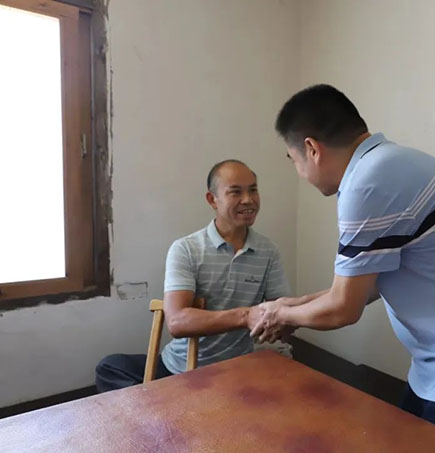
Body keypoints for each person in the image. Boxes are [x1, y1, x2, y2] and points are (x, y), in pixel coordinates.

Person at [250, 84, 435, 452]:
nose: (299, 173)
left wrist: (279, 312)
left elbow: (343, 308)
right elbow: (367, 285)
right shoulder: (393, 162)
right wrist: (294, 306)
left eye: (293, 160)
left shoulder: (367, 182)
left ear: (312, 149)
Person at [96, 160, 290, 392]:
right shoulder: (186, 249)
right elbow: (177, 322)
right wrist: (245, 315)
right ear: (212, 200)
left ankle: (166, 405)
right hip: (178, 368)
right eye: (236, 192)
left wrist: (293, 316)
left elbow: (281, 311)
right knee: (109, 367)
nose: (248, 200)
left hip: (235, 368)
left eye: (253, 190)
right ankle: (165, 404)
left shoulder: (268, 251)